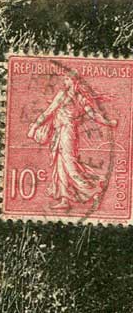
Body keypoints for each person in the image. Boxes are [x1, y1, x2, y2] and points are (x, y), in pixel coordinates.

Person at [28, 72, 117, 210]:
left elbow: (93, 114)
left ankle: (94, 192)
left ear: (75, 82)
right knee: (59, 165)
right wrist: (35, 125)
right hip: (59, 132)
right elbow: (49, 111)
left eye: (69, 79)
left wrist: (108, 122)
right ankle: (65, 199)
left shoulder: (79, 97)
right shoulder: (62, 95)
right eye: (66, 79)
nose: (66, 81)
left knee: (70, 165)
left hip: (68, 133)